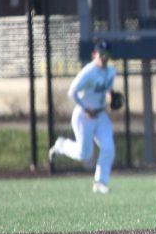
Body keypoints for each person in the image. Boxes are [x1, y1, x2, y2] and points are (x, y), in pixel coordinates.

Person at [47, 40, 118, 194]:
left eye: (106, 55)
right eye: (101, 55)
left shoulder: (111, 71)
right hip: (83, 116)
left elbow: (108, 90)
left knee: (108, 147)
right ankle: (61, 145)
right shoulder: (88, 72)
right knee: (85, 154)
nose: (104, 58)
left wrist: (111, 98)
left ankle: (100, 182)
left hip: (100, 115)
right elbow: (72, 91)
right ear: (94, 55)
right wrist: (86, 108)